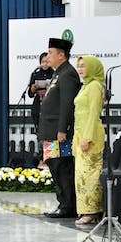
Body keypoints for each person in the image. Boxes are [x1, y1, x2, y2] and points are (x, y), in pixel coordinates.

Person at [40, 38, 81, 218]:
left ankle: (68, 206)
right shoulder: (58, 73)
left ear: (61, 55)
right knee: (54, 167)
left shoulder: (68, 74)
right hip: (50, 131)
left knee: (62, 167)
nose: (48, 56)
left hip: (59, 132)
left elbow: (67, 104)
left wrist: (62, 129)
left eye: (50, 53)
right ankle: (63, 203)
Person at [73, 55, 105, 225]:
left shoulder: (94, 86)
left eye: (84, 66)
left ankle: (92, 211)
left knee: (90, 175)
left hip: (90, 136)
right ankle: (85, 210)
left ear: (93, 67)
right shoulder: (85, 86)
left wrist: (87, 137)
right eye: (78, 66)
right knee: (81, 175)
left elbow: (93, 113)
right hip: (81, 134)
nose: (80, 69)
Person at [27, 52, 54, 134]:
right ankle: (40, 142)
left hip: (51, 107)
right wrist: (33, 89)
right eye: (43, 62)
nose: (45, 64)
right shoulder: (35, 74)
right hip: (38, 106)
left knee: (50, 135)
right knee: (40, 134)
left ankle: (49, 146)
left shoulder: (55, 73)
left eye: (47, 61)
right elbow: (30, 94)